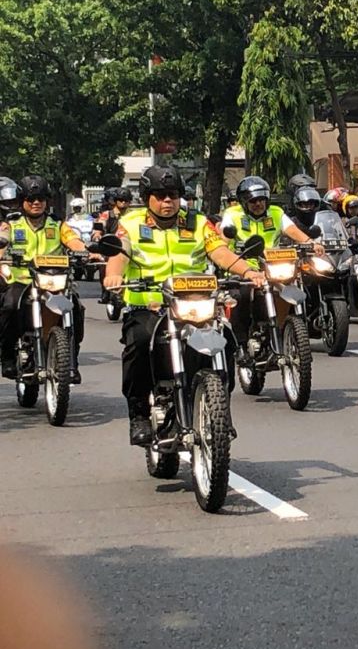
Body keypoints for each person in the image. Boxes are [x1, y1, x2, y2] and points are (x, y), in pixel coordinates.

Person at [103, 166, 267, 445]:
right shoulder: (130, 223)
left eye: (174, 195)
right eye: (161, 195)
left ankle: (219, 410)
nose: (168, 201)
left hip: (195, 304)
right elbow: (120, 253)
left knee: (226, 342)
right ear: (147, 197)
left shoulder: (199, 222)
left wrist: (248, 272)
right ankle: (139, 413)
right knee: (139, 343)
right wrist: (113, 275)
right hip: (149, 306)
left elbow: (220, 252)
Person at [0, 176, 91, 382]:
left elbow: (73, 240)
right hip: (22, 281)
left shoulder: (57, 224)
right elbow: (2, 240)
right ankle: (6, 357)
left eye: (40, 198)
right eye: (31, 199)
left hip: (54, 282)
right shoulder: (11, 224)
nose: (36, 203)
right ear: (22, 201)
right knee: (9, 305)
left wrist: (86, 252)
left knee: (75, 307)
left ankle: (71, 361)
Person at [219, 176, 323, 354]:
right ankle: (242, 342)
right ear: (244, 202)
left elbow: (291, 229)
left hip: (272, 267)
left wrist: (311, 243)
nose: (258, 204)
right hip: (244, 268)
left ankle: (281, 327)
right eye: (253, 201)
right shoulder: (233, 214)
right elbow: (223, 239)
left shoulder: (276, 212)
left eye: (262, 200)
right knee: (240, 296)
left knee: (288, 286)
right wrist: (225, 247)